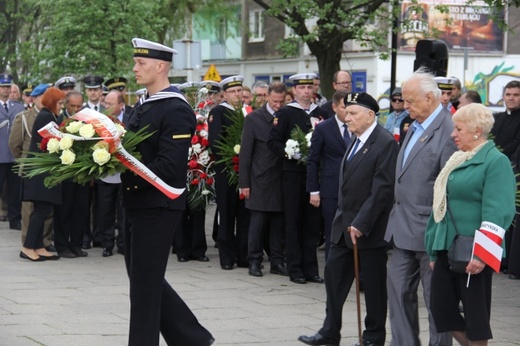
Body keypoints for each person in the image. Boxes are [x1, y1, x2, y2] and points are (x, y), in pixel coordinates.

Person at [121, 37, 213, 346]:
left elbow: (169, 164)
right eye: (135, 62)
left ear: (161, 66)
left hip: (158, 206)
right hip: (136, 202)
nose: (135, 68)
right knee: (143, 279)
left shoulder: (175, 108)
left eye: (141, 63)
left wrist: (123, 162)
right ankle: (192, 338)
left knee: (144, 288)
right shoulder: (143, 104)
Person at [299, 92, 398, 346]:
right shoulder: (355, 139)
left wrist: (361, 223)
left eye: (353, 113)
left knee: (374, 289)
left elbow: (382, 190)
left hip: (369, 230)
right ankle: (330, 331)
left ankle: (373, 338)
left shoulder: (384, 143)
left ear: (370, 115)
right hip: (343, 227)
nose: (347, 116)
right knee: (333, 279)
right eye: (346, 111)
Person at [425, 103, 515, 346]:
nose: (453, 134)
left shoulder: (496, 161)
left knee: (475, 318)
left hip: (473, 252)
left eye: (458, 129)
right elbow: (440, 206)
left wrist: (482, 254)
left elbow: (498, 211)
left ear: (477, 131)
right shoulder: (457, 159)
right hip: (446, 248)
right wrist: (434, 250)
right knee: (441, 309)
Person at [384, 68, 457, 346]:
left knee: (435, 300)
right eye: (403, 100)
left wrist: (443, 239)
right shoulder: (412, 124)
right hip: (402, 229)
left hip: (431, 233)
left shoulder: (449, 132)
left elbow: (449, 190)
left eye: (410, 100)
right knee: (398, 292)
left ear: (430, 98)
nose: (405, 105)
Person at [267, 72, 328, 284]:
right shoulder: (285, 113)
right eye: (302, 88)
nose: (306, 91)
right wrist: (289, 152)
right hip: (293, 174)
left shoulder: (321, 113)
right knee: (293, 222)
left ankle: (311, 268)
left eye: (309, 87)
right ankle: (295, 268)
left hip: (314, 176)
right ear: (294, 91)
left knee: (312, 223)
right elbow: (272, 141)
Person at [239, 81, 288, 277]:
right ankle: (254, 261)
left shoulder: (287, 116)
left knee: (278, 223)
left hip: (282, 178)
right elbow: (246, 154)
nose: (278, 105)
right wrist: (244, 183)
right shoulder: (254, 119)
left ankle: (277, 261)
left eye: (281, 101)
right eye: (275, 101)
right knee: (258, 223)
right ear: (266, 97)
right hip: (260, 178)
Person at [208, 75, 250, 270]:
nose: (237, 94)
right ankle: (226, 256)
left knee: (244, 215)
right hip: (226, 169)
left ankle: (243, 254)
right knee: (226, 213)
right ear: (224, 94)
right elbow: (215, 142)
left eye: (239, 91)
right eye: (232, 92)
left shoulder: (247, 112)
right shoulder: (218, 112)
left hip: (244, 171)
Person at [20, 86, 65, 261]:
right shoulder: (46, 116)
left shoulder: (51, 115)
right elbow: (54, 142)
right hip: (40, 172)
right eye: (60, 102)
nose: (61, 106)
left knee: (43, 209)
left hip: (44, 171)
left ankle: (38, 246)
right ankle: (28, 247)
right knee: (41, 210)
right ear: (53, 102)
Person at [9, 83, 54, 252]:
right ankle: (28, 242)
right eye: (43, 97)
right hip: (30, 167)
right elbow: (14, 144)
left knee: (47, 209)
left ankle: (44, 241)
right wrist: (24, 162)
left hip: (47, 168)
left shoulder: (52, 115)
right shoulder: (24, 117)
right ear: (34, 98)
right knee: (29, 209)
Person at [307, 91, 350, 260]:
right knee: (332, 231)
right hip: (331, 189)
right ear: (334, 107)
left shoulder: (359, 127)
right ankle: (333, 271)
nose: (348, 111)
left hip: (354, 188)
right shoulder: (324, 128)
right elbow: (313, 160)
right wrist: (314, 190)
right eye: (343, 107)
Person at [95, 91, 127, 257]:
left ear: (121, 105)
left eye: (110, 104)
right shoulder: (98, 120)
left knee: (123, 211)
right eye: (105, 103)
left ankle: (123, 243)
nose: (106, 107)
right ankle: (107, 243)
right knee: (105, 210)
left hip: (124, 174)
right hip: (105, 174)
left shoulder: (131, 118)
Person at [0, 73, 25, 230]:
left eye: (8, 87)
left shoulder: (19, 107)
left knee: (15, 190)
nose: (6, 90)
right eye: (3, 86)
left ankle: (14, 218)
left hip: (15, 155)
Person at [490, 80, 520, 160]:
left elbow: (516, 143)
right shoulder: (495, 118)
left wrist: (497, 155)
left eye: (516, 95)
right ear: (503, 97)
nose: (511, 98)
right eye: (508, 94)